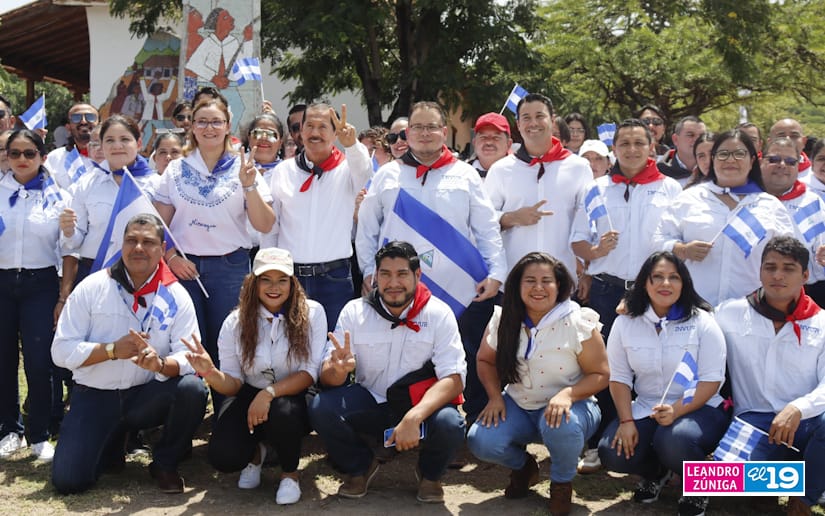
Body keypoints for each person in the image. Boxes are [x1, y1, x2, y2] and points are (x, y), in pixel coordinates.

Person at [357, 101, 506, 428]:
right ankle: (400, 420)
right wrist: (369, 270)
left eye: (432, 127)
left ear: (444, 131)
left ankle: (472, 426)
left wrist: (496, 273)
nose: (425, 134)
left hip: (460, 293)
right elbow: (367, 228)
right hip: (398, 290)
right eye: (418, 128)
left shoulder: (466, 174)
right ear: (407, 133)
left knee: (463, 356)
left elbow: (486, 228)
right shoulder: (387, 175)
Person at [51, 214, 208, 494]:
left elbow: (187, 355)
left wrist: (161, 365)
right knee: (69, 481)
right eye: (131, 240)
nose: (138, 248)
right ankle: (113, 441)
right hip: (95, 395)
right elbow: (60, 351)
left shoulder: (176, 295)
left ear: (162, 250)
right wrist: (111, 350)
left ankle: (164, 463)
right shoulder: (92, 287)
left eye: (148, 242)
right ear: (121, 245)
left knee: (192, 388)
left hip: (143, 395)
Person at [309, 241, 466, 503]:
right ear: (375, 277)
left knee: (451, 423)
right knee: (320, 407)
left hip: (419, 404)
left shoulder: (439, 313)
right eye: (385, 274)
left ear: (417, 276)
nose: (393, 283)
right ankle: (360, 465)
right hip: (373, 400)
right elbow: (328, 375)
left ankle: (430, 475)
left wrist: (414, 417)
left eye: (402, 274)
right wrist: (337, 370)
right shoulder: (355, 311)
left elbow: (454, 378)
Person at [571, 119, 683, 471]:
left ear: (652, 147)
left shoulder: (671, 189)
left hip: (656, 291)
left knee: (652, 366)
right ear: (613, 149)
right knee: (605, 368)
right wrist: (594, 251)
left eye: (639, 143)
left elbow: (677, 242)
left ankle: (654, 445)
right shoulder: (596, 189)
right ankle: (600, 440)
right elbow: (577, 242)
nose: (632, 150)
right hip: (606, 289)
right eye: (625, 143)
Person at [153, 98, 274, 411]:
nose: (209, 128)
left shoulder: (244, 167)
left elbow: (265, 224)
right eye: (202, 121)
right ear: (191, 126)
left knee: (230, 345)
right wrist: (170, 256)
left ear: (227, 126)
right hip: (184, 268)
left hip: (229, 267)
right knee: (186, 344)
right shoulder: (176, 168)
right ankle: (186, 416)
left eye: (216, 121)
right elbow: (158, 225)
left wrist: (249, 187)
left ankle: (228, 417)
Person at [467, 252, 608, 516]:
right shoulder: (503, 319)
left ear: (560, 286)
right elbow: (485, 361)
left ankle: (561, 484)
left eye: (547, 281)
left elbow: (600, 374)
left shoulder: (578, 321)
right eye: (529, 280)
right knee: (481, 441)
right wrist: (495, 397)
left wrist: (568, 395)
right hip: (519, 404)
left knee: (561, 424)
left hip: (572, 408)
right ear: (517, 286)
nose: (538, 288)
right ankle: (524, 468)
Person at [182, 248, 327, 504]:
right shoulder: (235, 322)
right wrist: (209, 372)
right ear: (253, 282)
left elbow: (309, 372)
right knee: (224, 457)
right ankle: (255, 453)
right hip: (250, 390)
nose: (274, 287)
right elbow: (232, 384)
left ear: (292, 283)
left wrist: (269, 393)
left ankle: (289, 475)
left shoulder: (312, 313)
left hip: (294, 392)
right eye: (266, 280)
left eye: (282, 280)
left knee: (283, 412)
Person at [597, 251, 727, 516]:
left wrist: (677, 411)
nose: (665, 284)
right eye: (657, 277)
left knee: (674, 439)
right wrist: (626, 421)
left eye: (673, 277)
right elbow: (620, 378)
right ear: (644, 282)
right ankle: (657, 473)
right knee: (612, 452)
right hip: (647, 406)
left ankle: (699, 488)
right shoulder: (625, 323)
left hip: (698, 408)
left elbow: (712, 379)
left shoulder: (702, 321)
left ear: (684, 283)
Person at [715, 236, 825, 516]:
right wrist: (638, 306)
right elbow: (692, 320)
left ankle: (804, 498)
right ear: (760, 271)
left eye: (788, 268)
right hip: (753, 420)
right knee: (722, 481)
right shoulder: (731, 312)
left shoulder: (821, 322)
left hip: (807, 423)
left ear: (805, 275)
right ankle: (773, 484)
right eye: (770, 267)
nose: (777, 275)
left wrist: (798, 407)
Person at [653, 129, 794, 305]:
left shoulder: (770, 206)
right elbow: (657, 241)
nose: (730, 160)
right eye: (723, 154)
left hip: (752, 310)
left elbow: (790, 257)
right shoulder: (689, 198)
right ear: (713, 160)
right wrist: (682, 249)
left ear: (752, 161)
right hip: (693, 309)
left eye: (739, 154)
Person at [0, 130, 71, 462]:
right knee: (3, 360)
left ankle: (39, 433)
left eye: (30, 153)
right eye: (15, 153)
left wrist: (63, 295)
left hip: (41, 283)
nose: (22, 160)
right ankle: (9, 430)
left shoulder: (60, 197)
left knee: (39, 360)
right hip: (1, 281)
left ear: (43, 156)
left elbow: (69, 248)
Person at [268, 103, 369, 331]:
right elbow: (273, 227)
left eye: (323, 127)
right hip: (290, 277)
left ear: (335, 133)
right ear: (301, 132)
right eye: (309, 126)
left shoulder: (347, 168)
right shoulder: (284, 171)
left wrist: (352, 145)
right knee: (291, 347)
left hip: (334, 277)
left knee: (334, 347)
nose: (315, 133)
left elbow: (364, 172)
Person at [485, 93, 591, 281]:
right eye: (526, 118)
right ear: (518, 125)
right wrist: (512, 217)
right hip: (513, 278)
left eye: (539, 116)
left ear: (552, 120)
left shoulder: (578, 167)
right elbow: (483, 219)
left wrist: (582, 260)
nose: (533, 123)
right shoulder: (501, 169)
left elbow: (587, 221)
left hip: (562, 278)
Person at [59, 115, 156, 289]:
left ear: (139, 143)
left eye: (125, 139)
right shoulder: (87, 183)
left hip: (142, 275)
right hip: (94, 271)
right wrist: (68, 231)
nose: (117, 146)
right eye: (110, 140)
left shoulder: (156, 184)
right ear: (102, 146)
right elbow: (74, 242)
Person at [760, 137, 825, 306]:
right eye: (774, 159)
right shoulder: (743, 197)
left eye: (790, 161)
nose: (782, 165)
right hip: (748, 292)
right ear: (761, 161)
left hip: (803, 296)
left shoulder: (812, 202)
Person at [45, 103, 99, 189]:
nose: (83, 121)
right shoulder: (54, 158)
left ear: (99, 124)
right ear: (68, 127)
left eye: (90, 117)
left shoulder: (111, 156)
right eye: (76, 118)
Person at [658, 116, 706, 187]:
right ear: (675, 139)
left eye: (702, 136)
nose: (697, 140)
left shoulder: (715, 170)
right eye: (690, 135)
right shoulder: (658, 170)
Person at [468, 112, 512, 178]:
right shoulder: (459, 174)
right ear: (474, 142)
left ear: (508, 144)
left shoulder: (522, 175)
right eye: (483, 137)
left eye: (496, 137)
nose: (489, 142)